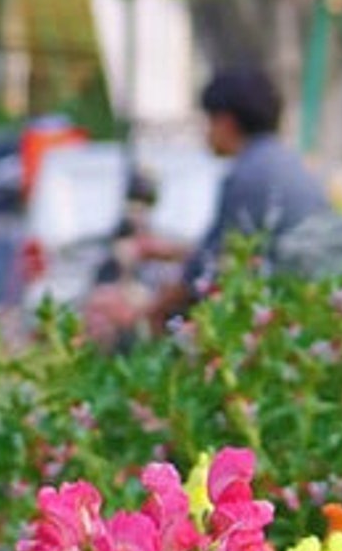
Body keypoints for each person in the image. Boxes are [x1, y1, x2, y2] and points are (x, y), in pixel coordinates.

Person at [85, 66, 327, 346]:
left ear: (225, 122)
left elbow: (209, 271)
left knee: (117, 329)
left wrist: (136, 315)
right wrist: (169, 252)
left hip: (269, 318)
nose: (207, 133)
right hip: (302, 302)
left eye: (207, 122)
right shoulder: (283, 162)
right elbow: (234, 247)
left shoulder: (249, 174)